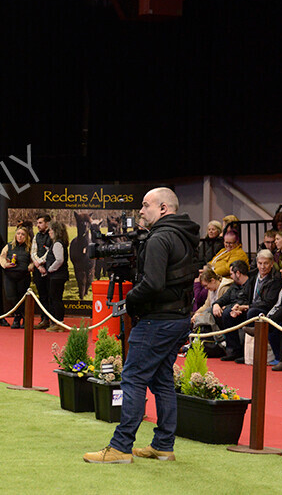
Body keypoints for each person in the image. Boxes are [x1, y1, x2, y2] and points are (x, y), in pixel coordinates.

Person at [84, 187, 199, 464]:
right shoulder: (185, 234)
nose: (141, 211)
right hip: (178, 318)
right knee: (161, 382)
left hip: (157, 320)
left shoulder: (160, 237)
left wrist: (130, 299)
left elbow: (154, 283)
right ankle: (163, 446)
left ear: (163, 209)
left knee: (134, 379)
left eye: (146, 205)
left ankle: (121, 447)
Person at [0, 226, 33, 329]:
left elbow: (33, 260)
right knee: (11, 297)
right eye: (18, 234)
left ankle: (22, 318)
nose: (20, 236)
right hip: (9, 276)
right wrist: (5, 264)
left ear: (26, 236)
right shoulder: (9, 246)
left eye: (23, 234)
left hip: (23, 276)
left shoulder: (30, 247)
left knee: (21, 297)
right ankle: (18, 315)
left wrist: (30, 266)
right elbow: (1, 257)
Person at [45, 221, 69, 332]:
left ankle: (58, 323)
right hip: (59, 276)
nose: (49, 232)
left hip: (57, 276)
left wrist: (50, 269)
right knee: (56, 298)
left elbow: (59, 260)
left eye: (51, 230)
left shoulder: (57, 244)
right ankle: (57, 322)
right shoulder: (59, 243)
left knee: (55, 299)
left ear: (56, 231)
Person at [30, 214, 53, 330]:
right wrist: (38, 266)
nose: (38, 225)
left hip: (50, 269)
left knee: (50, 296)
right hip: (39, 270)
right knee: (42, 296)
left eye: (40, 223)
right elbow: (33, 252)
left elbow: (50, 252)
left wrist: (41, 263)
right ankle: (44, 320)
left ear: (47, 223)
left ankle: (53, 320)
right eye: (37, 223)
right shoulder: (36, 236)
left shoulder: (52, 235)